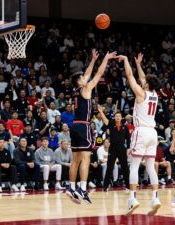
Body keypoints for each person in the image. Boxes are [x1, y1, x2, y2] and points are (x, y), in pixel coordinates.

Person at [65, 50, 117, 205]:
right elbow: (98, 74)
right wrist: (105, 59)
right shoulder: (86, 89)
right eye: (82, 78)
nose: (85, 78)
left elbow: (87, 74)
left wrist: (93, 60)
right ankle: (82, 188)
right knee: (86, 158)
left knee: (75, 160)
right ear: (80, 82)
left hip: (74, 125)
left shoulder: (75, 90)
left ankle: (71, 187)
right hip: (83, 126)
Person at [118, 53, 161, 216]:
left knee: (134, 165)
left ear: (147, 84)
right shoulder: (155, 95)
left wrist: (128, 62)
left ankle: (132, 199)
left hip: (141, 131)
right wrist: (139, 64)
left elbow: (129, 76)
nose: (142, 81)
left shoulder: (141, 93)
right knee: (150, 166)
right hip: (153, 132)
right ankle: (155, 198)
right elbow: (143, 78)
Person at [97, 106, 130, 191]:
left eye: (119, 116)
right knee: (109, 167)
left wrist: (128, 148)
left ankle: (128, 186)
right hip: (113, 148)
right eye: (116, 116)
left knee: (125, 168)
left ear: (121, 117)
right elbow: (105, 120)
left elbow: (128, 139)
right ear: (114, 117)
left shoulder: (125, 127)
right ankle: (105, 186)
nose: (118, 117)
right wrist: (101, 112)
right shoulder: (111, 124)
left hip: (122, 149)